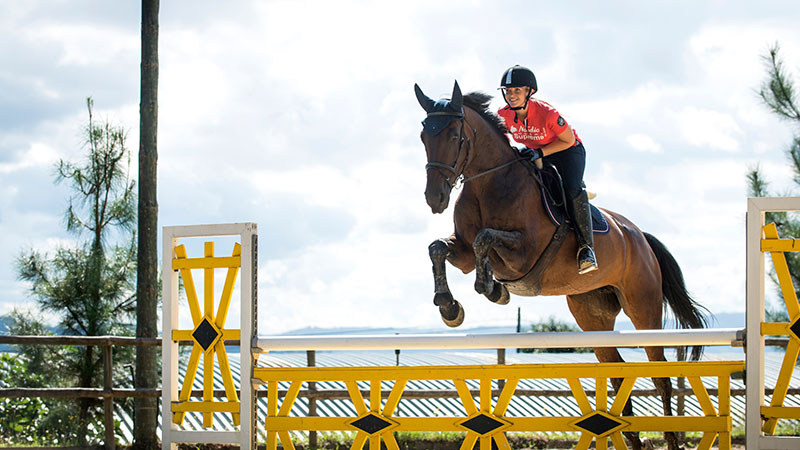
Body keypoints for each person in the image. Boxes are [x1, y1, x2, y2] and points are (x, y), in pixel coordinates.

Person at [497, 65, 598, 274]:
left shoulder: (548, 114)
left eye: (517, 90)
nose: (511, 96)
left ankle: (586, 248)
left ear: (529, 92)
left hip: (567, 150)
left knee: (571, 188)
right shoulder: (503, 115)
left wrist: (541, 153)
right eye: (508, 91)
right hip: (537, 151)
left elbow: (568, 140)